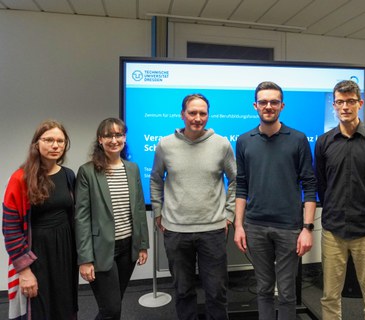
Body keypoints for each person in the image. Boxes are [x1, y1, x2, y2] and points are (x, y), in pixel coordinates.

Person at [234, 81, 317, 320]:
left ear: (282, 105)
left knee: (288, 293)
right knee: (263, 289)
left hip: (289, 228)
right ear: (255, 106)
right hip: (255, 226)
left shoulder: (298, 139)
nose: (268, 106)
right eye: (263, 102)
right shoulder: (244, 140)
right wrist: (239, 226)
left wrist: (307, 228)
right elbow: (241, 185)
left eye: (273, 102)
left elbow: (309, 186)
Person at [150, 93, 236, 320]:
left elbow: (236, 179)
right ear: (182, 115)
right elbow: (156, 179)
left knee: (216, 292)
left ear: (208, 115)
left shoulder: (222, 144)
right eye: (192, 112)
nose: (197, 118)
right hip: (176, 231)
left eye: (203, 113)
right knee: (183, 290)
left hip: (213, 231)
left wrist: (229, 214)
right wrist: (158, 211)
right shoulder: (165, 145)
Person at [315, 80, 365, 319]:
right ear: (334, 106)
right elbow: (321, 185)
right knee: (330, 296)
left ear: (360, 103)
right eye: (340, 102)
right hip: (333, 231)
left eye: (350, 101)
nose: (345, 107)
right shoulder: (324, 142)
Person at [2, 120, 78, 320]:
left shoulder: (68, 175)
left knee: (65, 305)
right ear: (37, 143)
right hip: (36, 255)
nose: (55, 145)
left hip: (65, 252)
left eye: (60, 141)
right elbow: (10, 228)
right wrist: (24, 270)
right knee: (39, 309)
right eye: (49, 140)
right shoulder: (20, 178)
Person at [75, 117, 149, 320]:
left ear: (124, 138)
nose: (114, 139)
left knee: (114, 303)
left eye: (118, 134)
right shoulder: (87, 171)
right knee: (111, 309)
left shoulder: (132, 168)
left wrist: (142, 244)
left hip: (128, 248)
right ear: (100, 139)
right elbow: (81, 218)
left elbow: (139, 209)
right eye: (108, 135)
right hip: (100, 250)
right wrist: (85, 259)